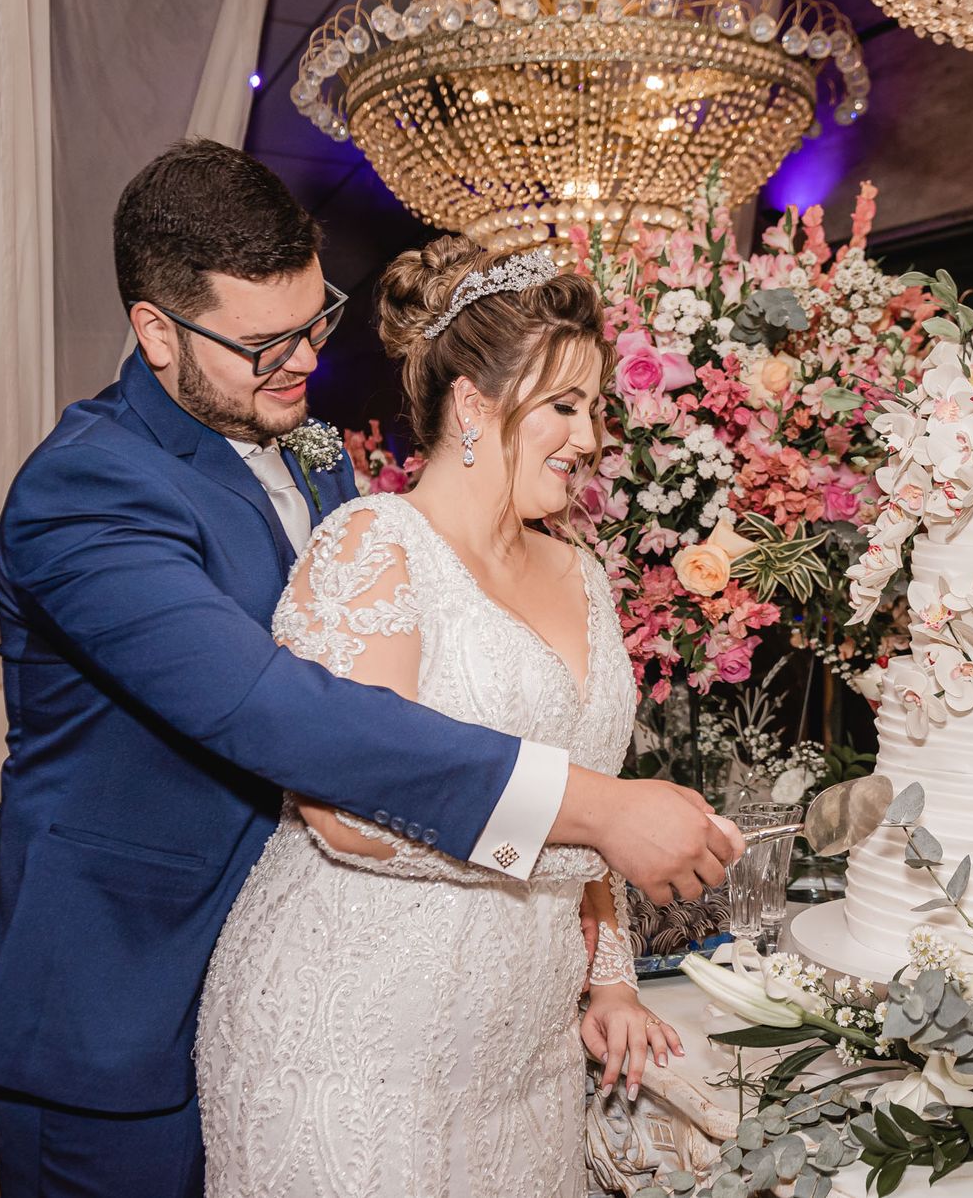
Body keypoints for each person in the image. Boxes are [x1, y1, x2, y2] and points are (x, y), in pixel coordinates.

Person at [0, 139, 740, 1198]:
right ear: (157, 332)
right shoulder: (85, 490)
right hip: (123, 988)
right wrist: (597, 810)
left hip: (325, 977)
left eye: (315, 319)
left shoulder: (313, 452)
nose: (302, 360)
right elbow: (271, 707)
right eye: (261, 342)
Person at [196, 236, 667, 1198]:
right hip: (356, 1044)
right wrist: (596, 836)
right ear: (473, 405)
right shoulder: (373, 545)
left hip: (522, 1056)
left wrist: (612, 977)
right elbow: (344, 812)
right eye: (564, 405)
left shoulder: (582, 573)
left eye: (597, 408)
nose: (590, 436)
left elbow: (594, 784)